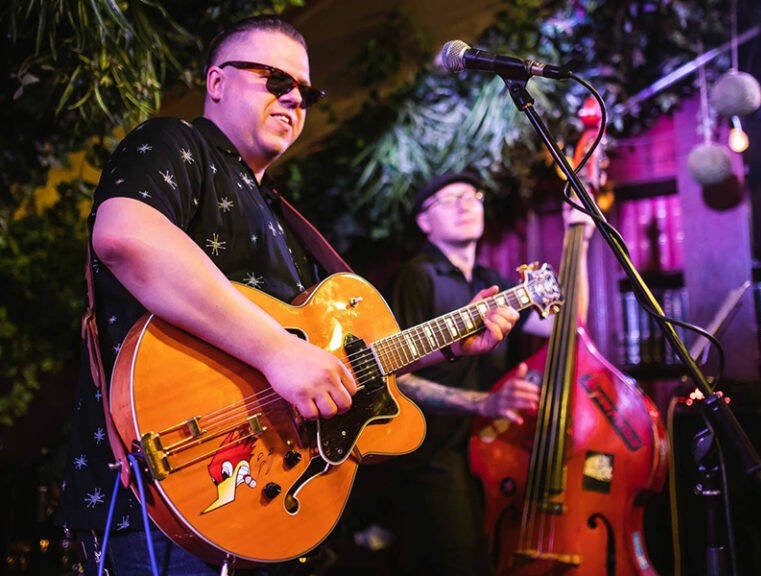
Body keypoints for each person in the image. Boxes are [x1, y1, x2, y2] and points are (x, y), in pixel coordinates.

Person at [55, 16, 518, 576]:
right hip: (165, 495)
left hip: (263, 506)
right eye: (275, 80)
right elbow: (126, 236)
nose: (296, 98)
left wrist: (446, 344)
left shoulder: (279, 212)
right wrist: (278, 352)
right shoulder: (175, 143)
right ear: (216, 82)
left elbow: (329, 363)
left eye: (307, 92)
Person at [365, 171, 592, 575]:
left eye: (472, 196)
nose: (465, 204)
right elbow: (391, 376)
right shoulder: (417, 276)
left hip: (487, 451)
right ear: (424, 221)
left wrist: (580, 240)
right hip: (432, 457)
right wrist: (483, 402)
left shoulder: (491, 284)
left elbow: (569, 323)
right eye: (449, 199)